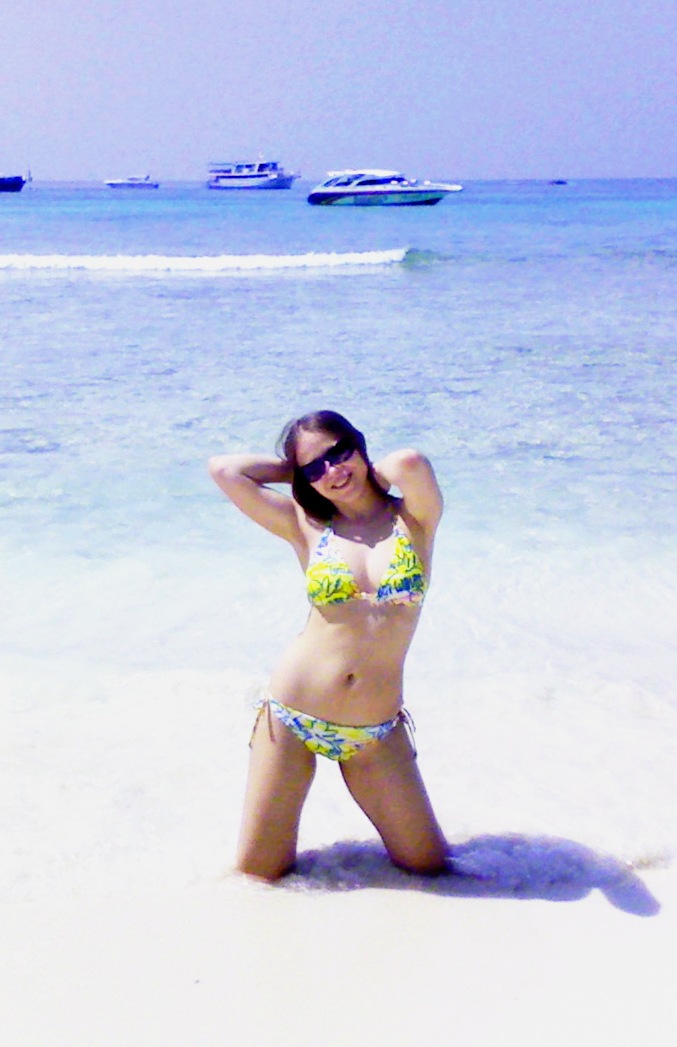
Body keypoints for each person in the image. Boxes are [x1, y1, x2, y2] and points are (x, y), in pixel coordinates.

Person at [208, 410, 448, 881]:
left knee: (431, 871)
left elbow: (411, 462)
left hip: (375, 731)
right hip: (292, 717)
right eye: (315, 467)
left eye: (339, 453)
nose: (332, 471)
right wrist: (298, 476)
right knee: (260, 877)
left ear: (359, 445)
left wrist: (359, 471)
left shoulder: (414, 519)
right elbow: (225, 470)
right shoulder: (306, 526)